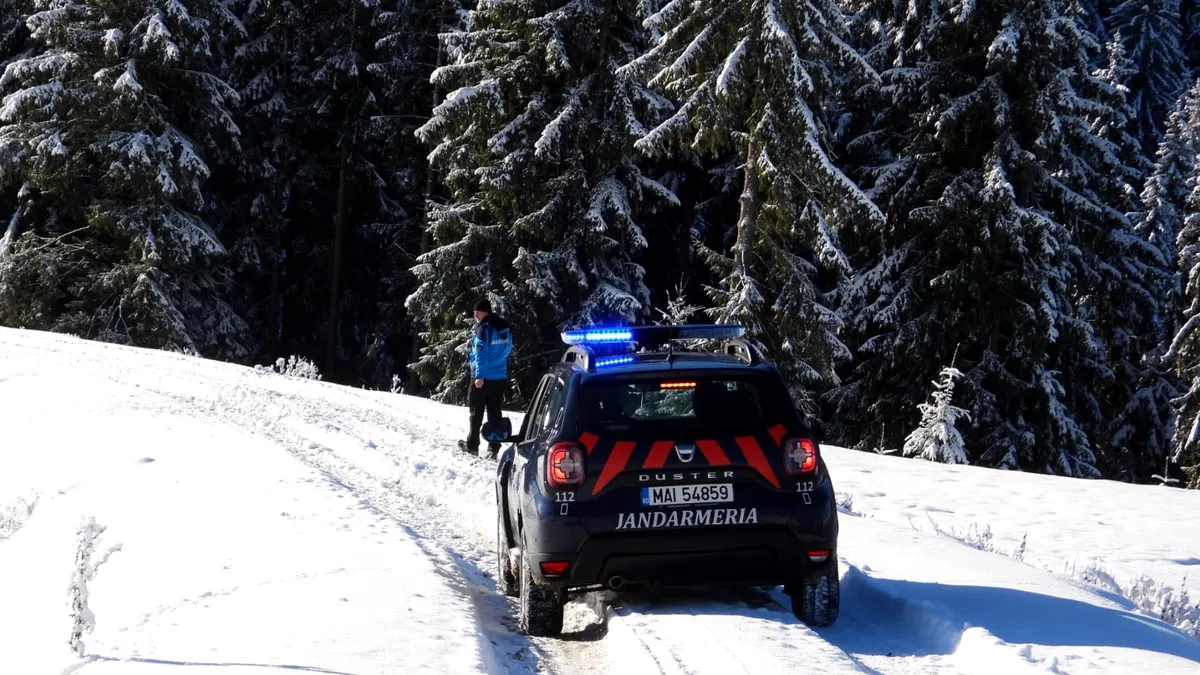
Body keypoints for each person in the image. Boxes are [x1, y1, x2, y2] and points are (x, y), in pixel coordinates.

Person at [459, 297, 512, 455]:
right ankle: (493, 448)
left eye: (476, 313)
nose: (475, 316)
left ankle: (472, 446)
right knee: (495, 413)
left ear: (484, 312)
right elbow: (508, 349)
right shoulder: (504, 326)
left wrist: (479, 377)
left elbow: (481, 355)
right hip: (500, 376)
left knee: (476, 413)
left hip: (483, 378)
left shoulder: (483, 329)